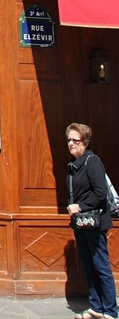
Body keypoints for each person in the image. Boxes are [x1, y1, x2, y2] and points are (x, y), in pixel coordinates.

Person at [66, 122, 118, 319]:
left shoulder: (92, 161)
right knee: (88, 265)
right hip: (81, 223)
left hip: (94, 223)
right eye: (69, 139)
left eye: (75, 140)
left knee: (101, 266)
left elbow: (100, 193)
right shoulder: (73, 164)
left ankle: (111, 311)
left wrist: (79, 206)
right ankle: (96, 307)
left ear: (85, 142)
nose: (71, 143)